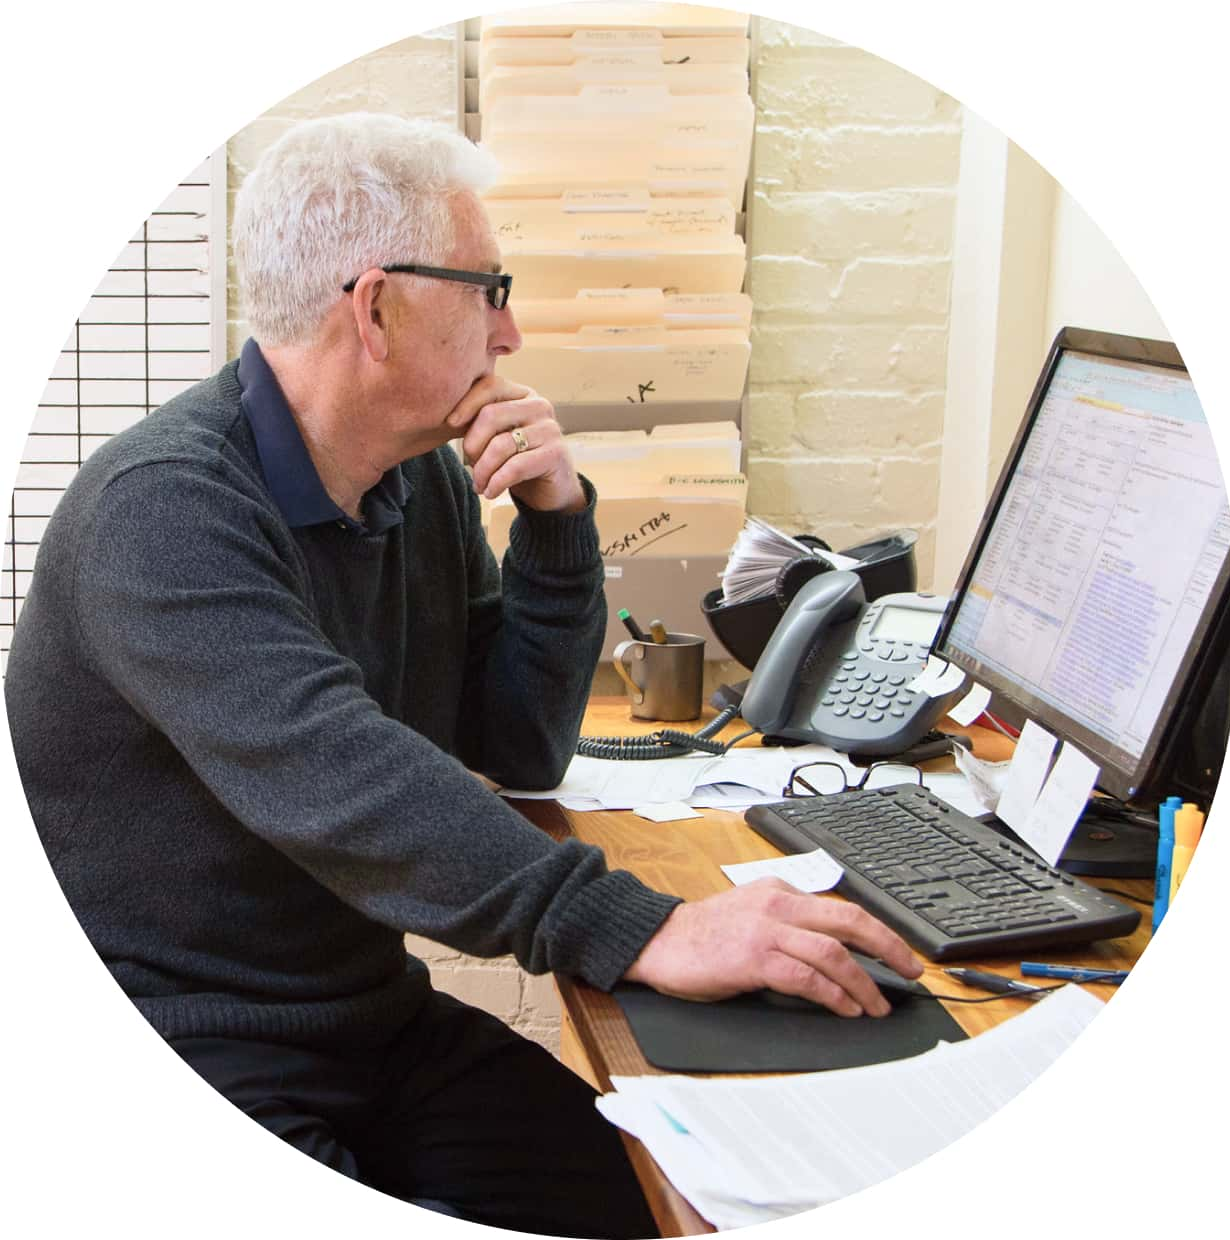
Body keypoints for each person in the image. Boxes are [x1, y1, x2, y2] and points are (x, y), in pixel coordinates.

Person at [5, 113, 920, 1236]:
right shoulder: (159, 510)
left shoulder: (416, 478)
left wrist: (556, 520)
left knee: (659, 1199)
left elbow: (517, 745)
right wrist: (643, 928)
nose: (512, 330)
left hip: (365, 1021)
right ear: (376, 304)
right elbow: (345, 775)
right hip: (178, 1039)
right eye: (490, 289)